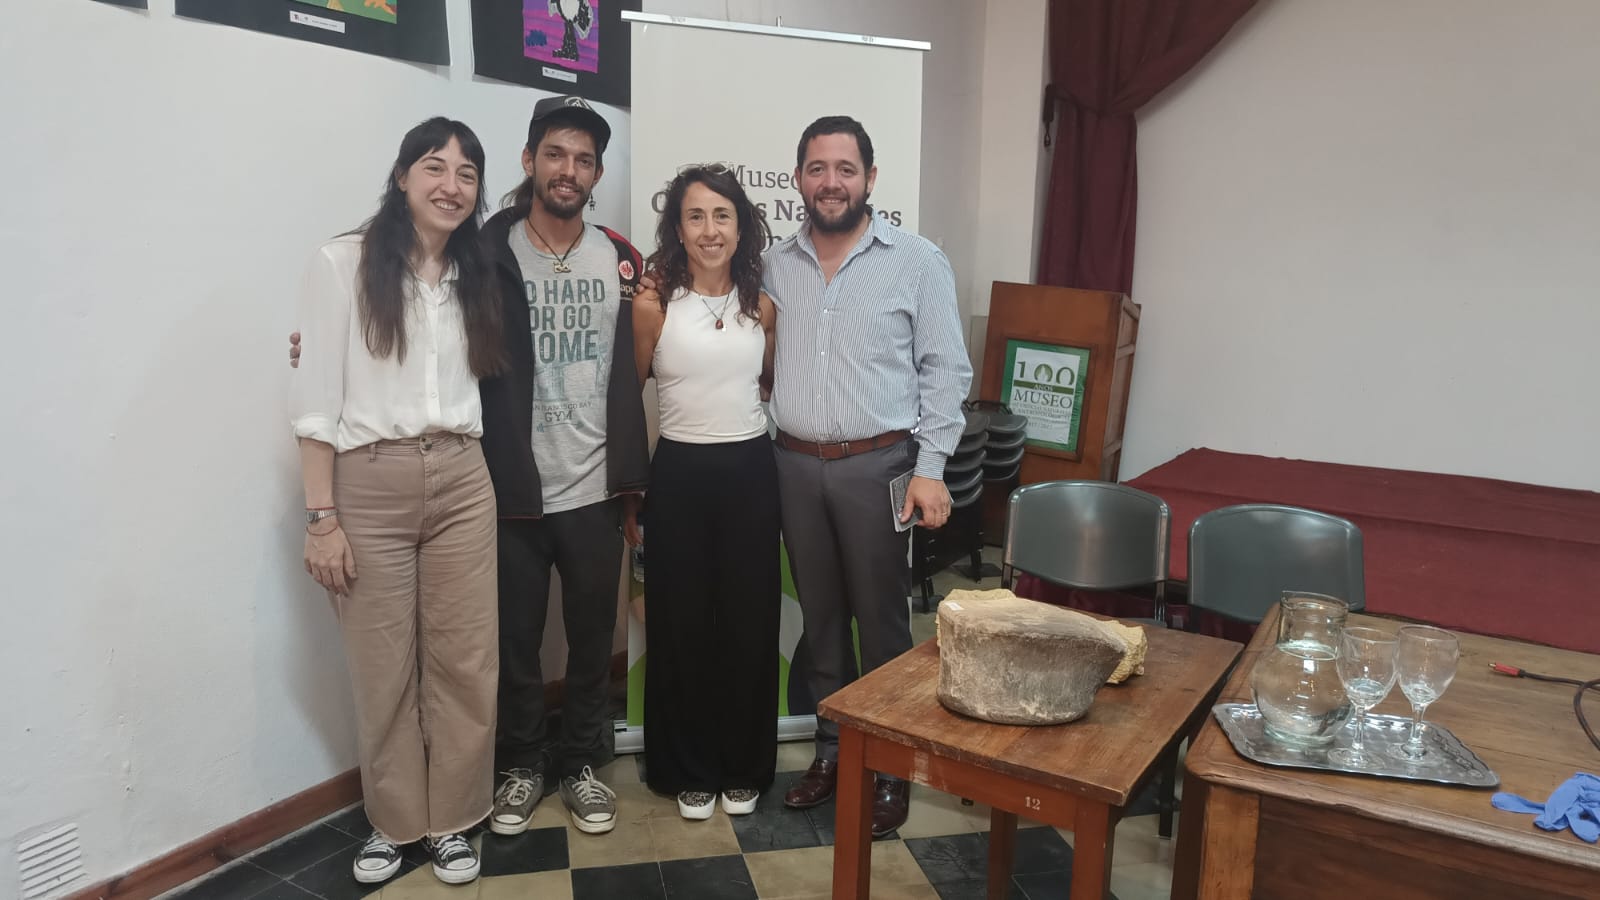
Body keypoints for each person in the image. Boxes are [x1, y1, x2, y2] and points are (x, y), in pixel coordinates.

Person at [292, 95, 650, 839]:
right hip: (507, 485)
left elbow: (643, 351)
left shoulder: (621, 258)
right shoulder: (485, 249)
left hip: (592, 487)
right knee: (509, 647)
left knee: (589, 644)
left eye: (584, 160)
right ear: (528, 161)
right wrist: (313, 344)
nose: (569, 169)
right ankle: (519, 765)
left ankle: (581, 763)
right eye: (555, 154)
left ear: (597, 174)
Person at [289, 116, 503, 886]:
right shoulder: (342, 263)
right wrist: (322, 519)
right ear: (403, 176)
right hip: (369, 483)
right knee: (382, 666)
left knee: (465, 662)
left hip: (463, 478)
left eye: (467, 173)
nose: (451, 185)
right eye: (435, 167)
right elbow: (314, 401)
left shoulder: (477, 271)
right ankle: (395, 822)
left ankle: (453, 820)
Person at [766, 116, 973, 837]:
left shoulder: (916, 261)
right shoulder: (772, 264)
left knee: (882, 624)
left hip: (880, 466)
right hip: (794, 465)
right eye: (818, 168)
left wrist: (930, 469)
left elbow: (945, 371)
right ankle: (832, 752)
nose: (832, 183)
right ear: (799, 178)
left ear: (870, 179)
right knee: (820, 621)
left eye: (846, 169)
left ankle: (889, 766)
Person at [627, 165, 780, 820]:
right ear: (678, 228)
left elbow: (768, 384)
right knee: (681, 624)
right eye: (696, 216)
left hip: (751, 473)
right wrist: (631, 494)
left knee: (749, 623)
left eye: (722, 215)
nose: (710, 230)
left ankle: (744, 765)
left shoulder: (761, 306)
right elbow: (628, 401)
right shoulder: (654, 305)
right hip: (679, 475)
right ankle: (686, 767)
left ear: (741, 227)